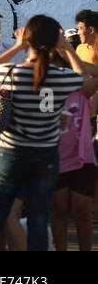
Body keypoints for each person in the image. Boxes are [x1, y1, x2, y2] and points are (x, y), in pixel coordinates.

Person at [0, 16, 95, 251]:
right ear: (54, 43)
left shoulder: (12, 74)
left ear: (27, 40)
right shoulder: (61, 77)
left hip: (11, 152)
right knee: (39, 217)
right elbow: (83, 78)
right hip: (46, 155)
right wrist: (68, 48)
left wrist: (18, 46)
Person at [51, 80, 96, 252]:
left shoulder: (83, 90)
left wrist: (69, 52)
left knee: (83, 213)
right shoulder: (46, 90)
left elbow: (94, 75)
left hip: (83, 158)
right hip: (55, 158)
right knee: (59, 210)